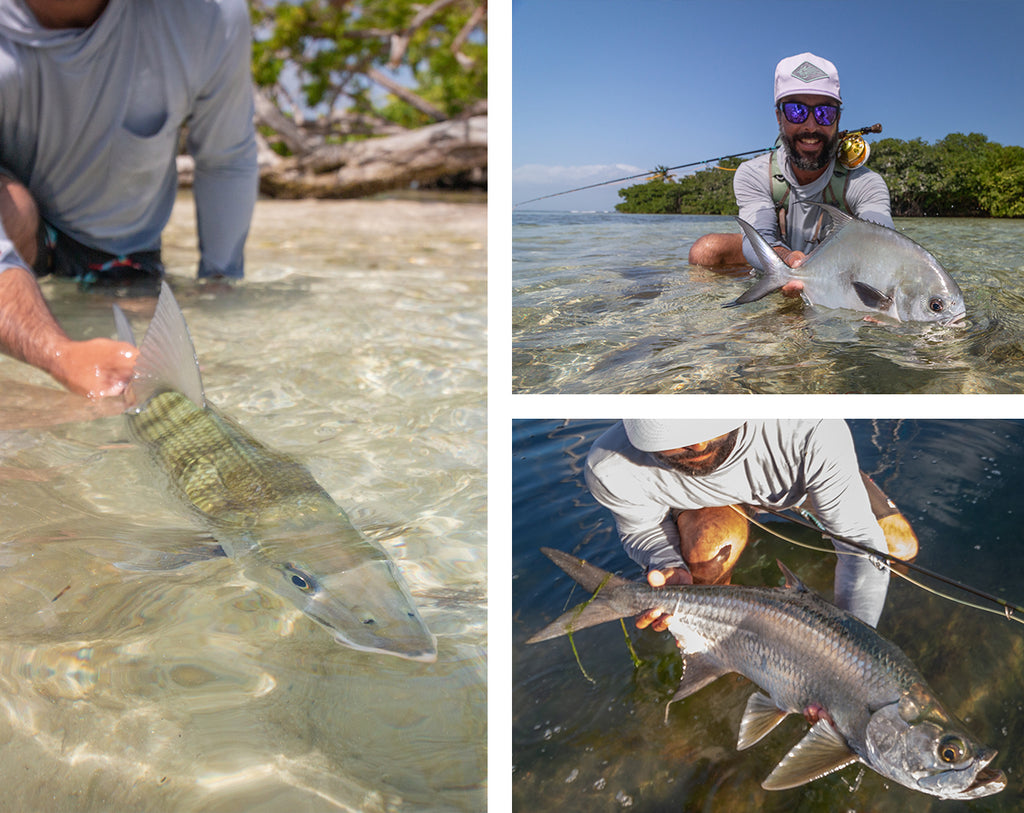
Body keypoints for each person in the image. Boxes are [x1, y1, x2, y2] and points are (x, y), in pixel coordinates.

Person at [0, 0, 258, 398]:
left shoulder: (211, 14)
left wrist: (219, 287)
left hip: (123, 257)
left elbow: (225, 160)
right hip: (19, 228)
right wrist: (59, 354)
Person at [584, 419, 919, 631]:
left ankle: (833, 491)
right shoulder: (610, 467)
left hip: (799, 488)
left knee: (899, 548)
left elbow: (859, 544)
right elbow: (641, 530)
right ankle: (727, 644)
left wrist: (851, 647)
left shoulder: (811, 426)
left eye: (707, 426)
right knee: (706, 555)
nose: (698, 445)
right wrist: (667, 564)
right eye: (677, 438)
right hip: (705, 506)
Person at [688, 53, 892, 300]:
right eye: (796, 111)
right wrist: (790, 261)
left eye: (825, 113)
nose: (810, 126)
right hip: (778, 259)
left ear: (838, 119)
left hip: (839, 269)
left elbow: (883, 238)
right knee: (705, 251)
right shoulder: (753, 173)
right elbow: (759, 236)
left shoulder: (866, 183)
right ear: (779, 117)